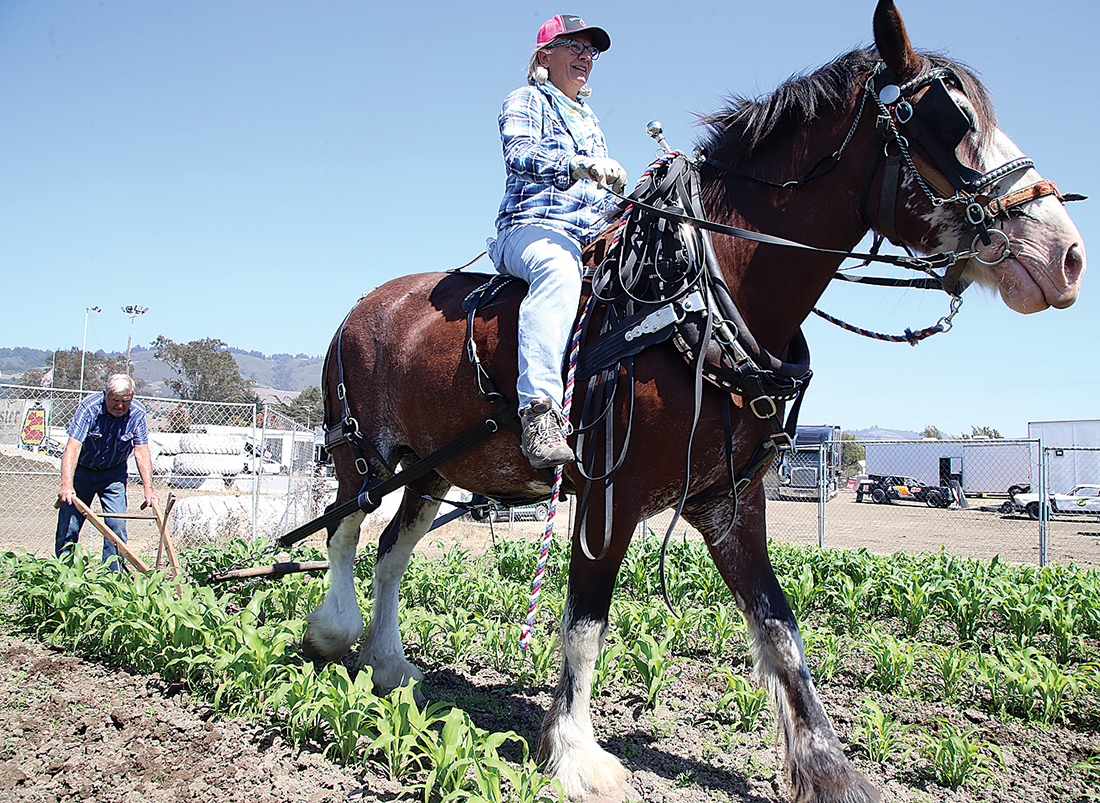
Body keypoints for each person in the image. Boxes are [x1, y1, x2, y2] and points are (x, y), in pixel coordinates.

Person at [488, 14, 627, 469]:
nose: (585, 56)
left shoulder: (589, 119)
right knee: (559, 268)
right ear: (544, 55)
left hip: (589, 235)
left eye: (591, 50)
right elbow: (521, 153)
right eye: (573, 46)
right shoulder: (526, 99)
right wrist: (579, 166)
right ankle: (539, 413)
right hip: (531, 231)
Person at [55, 374, 157, 569]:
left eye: (125, 401)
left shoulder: (137, 413)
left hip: (113, 474)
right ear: (105, 395)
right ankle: (64, 573)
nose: (120, 406)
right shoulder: (89, 408)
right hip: (82, 472)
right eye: (115, 400)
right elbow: (73, 447)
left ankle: (113, 579)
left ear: (132, 397)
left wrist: (148, 489)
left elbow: (141, 451)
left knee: (116, 524)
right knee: (69, 526)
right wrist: (66, 485)